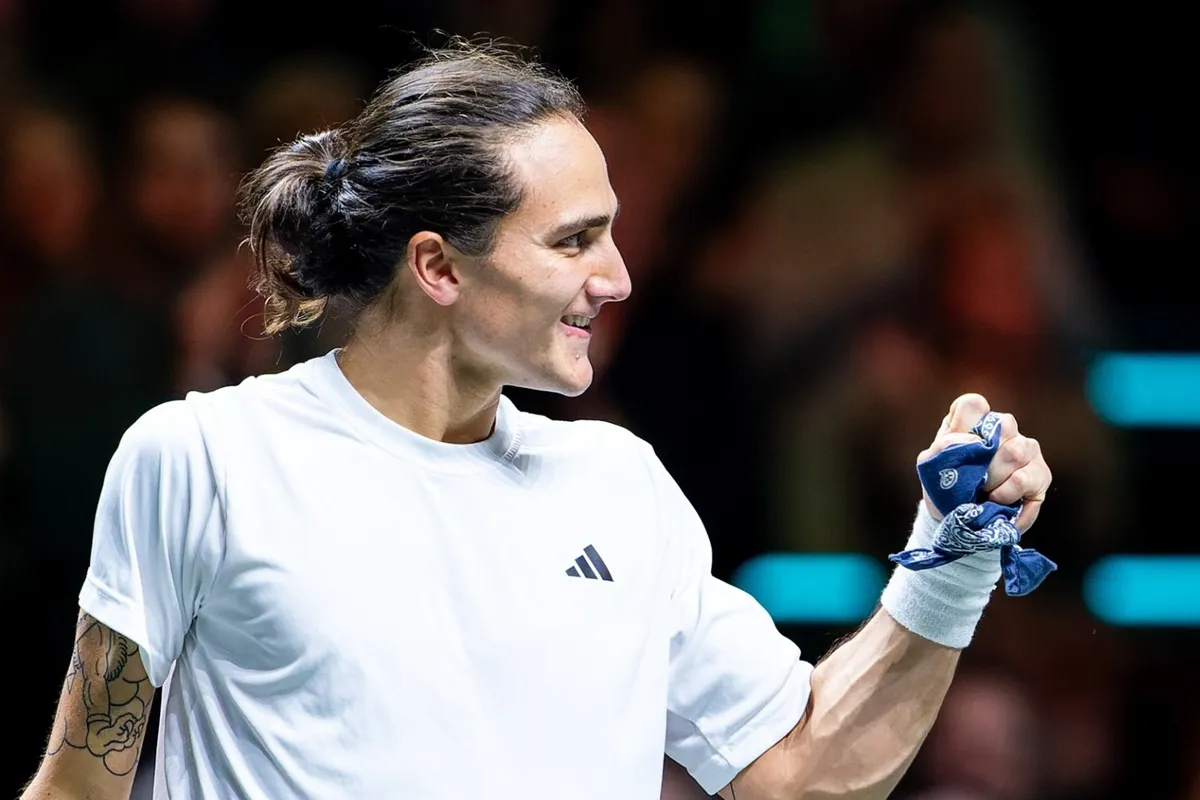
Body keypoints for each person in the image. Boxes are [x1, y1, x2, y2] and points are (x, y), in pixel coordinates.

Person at [21, 39, 1053, 800]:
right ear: (438, 265)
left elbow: (800, 771)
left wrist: (953, 559)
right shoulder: (199, 458)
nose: (618, 276)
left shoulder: (621, 484)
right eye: (576, 240)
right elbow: (81, 786)